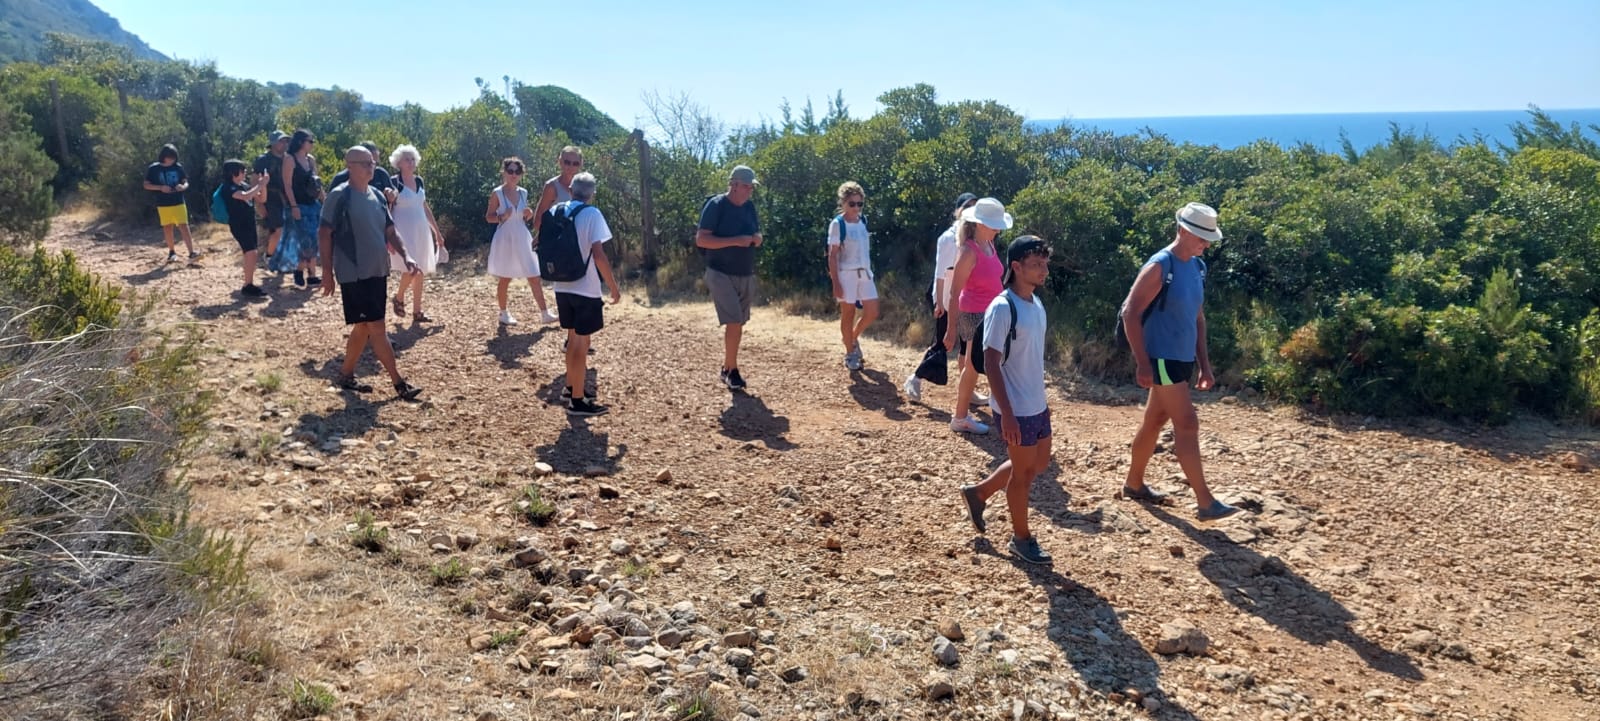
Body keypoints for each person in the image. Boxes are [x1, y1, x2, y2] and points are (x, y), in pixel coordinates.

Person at [1119, 202, 1240, 521]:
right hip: (1161, 358)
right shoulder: (1161, 265)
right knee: (1186, 423)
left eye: (1208, 238)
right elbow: (1130, 312)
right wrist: (1143, 363)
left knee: (1155, 421)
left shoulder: (1198, 267)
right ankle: (1205, 501)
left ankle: (1133, 484)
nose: (1206, 244)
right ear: (1184, 231)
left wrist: (1205, 363)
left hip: (1182, 359)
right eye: (1201, 237)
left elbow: (1197, 317)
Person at [959, 236, 1056, 564]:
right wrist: (1008, 414)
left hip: (1036, 404)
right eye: (1035, 265)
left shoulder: (1036, 303)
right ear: (1016, 267)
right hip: (1016, 408)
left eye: (1044, 264)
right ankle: (1021, 538)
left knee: (1037, 465)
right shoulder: (1003, 307)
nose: (1043, 270)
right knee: (1023, 475)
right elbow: (990, 361)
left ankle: (980, 492)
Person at [317, 146, 423, 401]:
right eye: (365, 163)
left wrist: (406, 255)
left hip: (377, 270)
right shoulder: (339, 196)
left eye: (372, 163)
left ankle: (345, 374)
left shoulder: (376, 194)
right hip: (354, 273)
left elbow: (390, 230)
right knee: (376, 327)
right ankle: (399, 384)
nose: (371, 167)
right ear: (349, 165)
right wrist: (327, 272)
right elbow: (324, 232)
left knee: (364, 326)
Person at [547, 172, 621, 417]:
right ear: (593, 193)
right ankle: (577, 401)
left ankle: (571, 387)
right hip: (585, 287)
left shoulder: (557, 210)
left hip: (561, 285)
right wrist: (612, 285)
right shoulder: (592, 214)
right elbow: (598, 254)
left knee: (572, 341)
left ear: (570, 189)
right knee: (581, 343)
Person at [943, 197, 1012, 434]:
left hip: (991, 312)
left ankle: (993, 408)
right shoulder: (969, 251)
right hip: (974, 315)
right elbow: (954, 292)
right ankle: (960, 417)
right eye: (994, 224)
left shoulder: (988, 245)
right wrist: (951, 329)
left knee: (988, 363)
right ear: (979, 224)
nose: (998, 229)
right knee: (972, 367)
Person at [695, 165, 763, 390]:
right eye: (746, 186)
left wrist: (756, 238)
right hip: (719, 272)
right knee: (734, 321)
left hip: (745, 272)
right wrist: (735, 240)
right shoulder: (716, 206)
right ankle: (733, 371)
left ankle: (726, 366)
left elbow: (756, 232)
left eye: (751, 187)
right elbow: (702, 240)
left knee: (738, 324)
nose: (749, 191)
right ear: (733, 184)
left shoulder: (750, 207)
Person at [905, 192, 977, 401]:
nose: (971, 211)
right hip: (946, 298)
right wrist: (939, 303)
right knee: (943, 344)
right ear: (958, 211)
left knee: (967, 346)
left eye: (975, 206)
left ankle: (968, 391)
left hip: (965, 299)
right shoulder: (949, 238)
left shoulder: (975, 238)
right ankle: (915, 378)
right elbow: (941, 272)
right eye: (967, 206)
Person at [485, 157, 558, 326]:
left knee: (533, 274)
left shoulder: (523, 192)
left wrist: (528, 213)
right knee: (505, 277)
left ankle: (545, 313)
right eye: (510, 171)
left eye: (517, 172)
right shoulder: (497, 193)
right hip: (505, 237)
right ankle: (503, 313)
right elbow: (488, 217)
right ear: (504, 172)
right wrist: (502, 216)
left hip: (521, 235)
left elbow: (523, 216)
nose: (513, 175)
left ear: (521, 174)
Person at [387, 144, 443, 323]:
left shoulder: (419, 181)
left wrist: (437, 232)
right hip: (402, 231)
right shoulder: (393, 182)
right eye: (406, 159)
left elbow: (424, 207)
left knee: (420, 271)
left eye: (412, 159)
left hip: (421, 230)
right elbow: (387, 209)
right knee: (412, 269)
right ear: (399, 163)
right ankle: (399, 297)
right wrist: (388, 237)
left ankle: (417, 311)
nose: (410, 163)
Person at [827, 181, 877, 371]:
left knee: (872, 311)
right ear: (843, 203)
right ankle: (850, 353)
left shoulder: (863, 221)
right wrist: (836, 283)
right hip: (846, 274)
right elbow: (832, 255)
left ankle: (852, 338)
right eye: (852, 204)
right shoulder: (837, 224)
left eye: (859, 204)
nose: (856, 208)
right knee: (848, 313)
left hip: (865, 272)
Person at [276, 129, 324, 288]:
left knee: (314, 240)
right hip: (299, 206)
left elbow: (317, 184)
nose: (312, 144)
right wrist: (293, 205)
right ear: (301, 142)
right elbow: (287, 185)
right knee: (304, 241)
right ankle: (299, 270)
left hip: (312, 205)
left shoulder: (311, 160)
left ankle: (311, 274)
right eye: (310, 141)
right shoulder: (289, 159)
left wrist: (325, 201)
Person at [219, 159, 269, 297]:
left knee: (251, 253)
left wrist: (263, 185)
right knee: (251, 252)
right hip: (239, 224)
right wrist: (260, 184)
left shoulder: (245, 185)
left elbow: (261, 199)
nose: (245, 173)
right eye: (242, 171)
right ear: (233, 173)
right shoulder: (228, 187)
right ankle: (247, 285)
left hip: (250, 222)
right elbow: (245, 196)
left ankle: (249, 283)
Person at [142, 144, 196, 262]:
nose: (171, 160)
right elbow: (146, 185)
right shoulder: (153, 168)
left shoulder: (178, 167)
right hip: (163, 203)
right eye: (169, 157)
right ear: (163, 156)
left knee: (184, 225)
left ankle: (191, 252)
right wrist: (160, 187)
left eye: (173, 157)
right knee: (167, 227)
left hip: (178, 201)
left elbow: (185, 181)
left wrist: (183, 187)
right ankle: (171, 252)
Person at [253, 130, 290, 265]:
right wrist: (259, 203)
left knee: (286, 229)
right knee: (278, 229)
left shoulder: (288, 159)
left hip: (286, 198)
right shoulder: (263, 160)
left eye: (286, 141)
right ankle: (269, 256)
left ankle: (280, 257)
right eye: (281, 141)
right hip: (270, 198)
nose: (284, 143)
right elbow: (255, 180)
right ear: (273, 143)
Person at [531, 145, 583, 231]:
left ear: (580, 164)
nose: (571, 166)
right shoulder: (552, 186)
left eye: (575, 163)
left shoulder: (584, 186)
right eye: (567, 162)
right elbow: (538, 221)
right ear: (560, 162)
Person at [329, 141, 396, 200]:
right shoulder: (341, 179)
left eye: (374, 163)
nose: (372, 167)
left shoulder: (381, 174)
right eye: (367, 163)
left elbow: (394, 191)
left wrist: (392, 194)